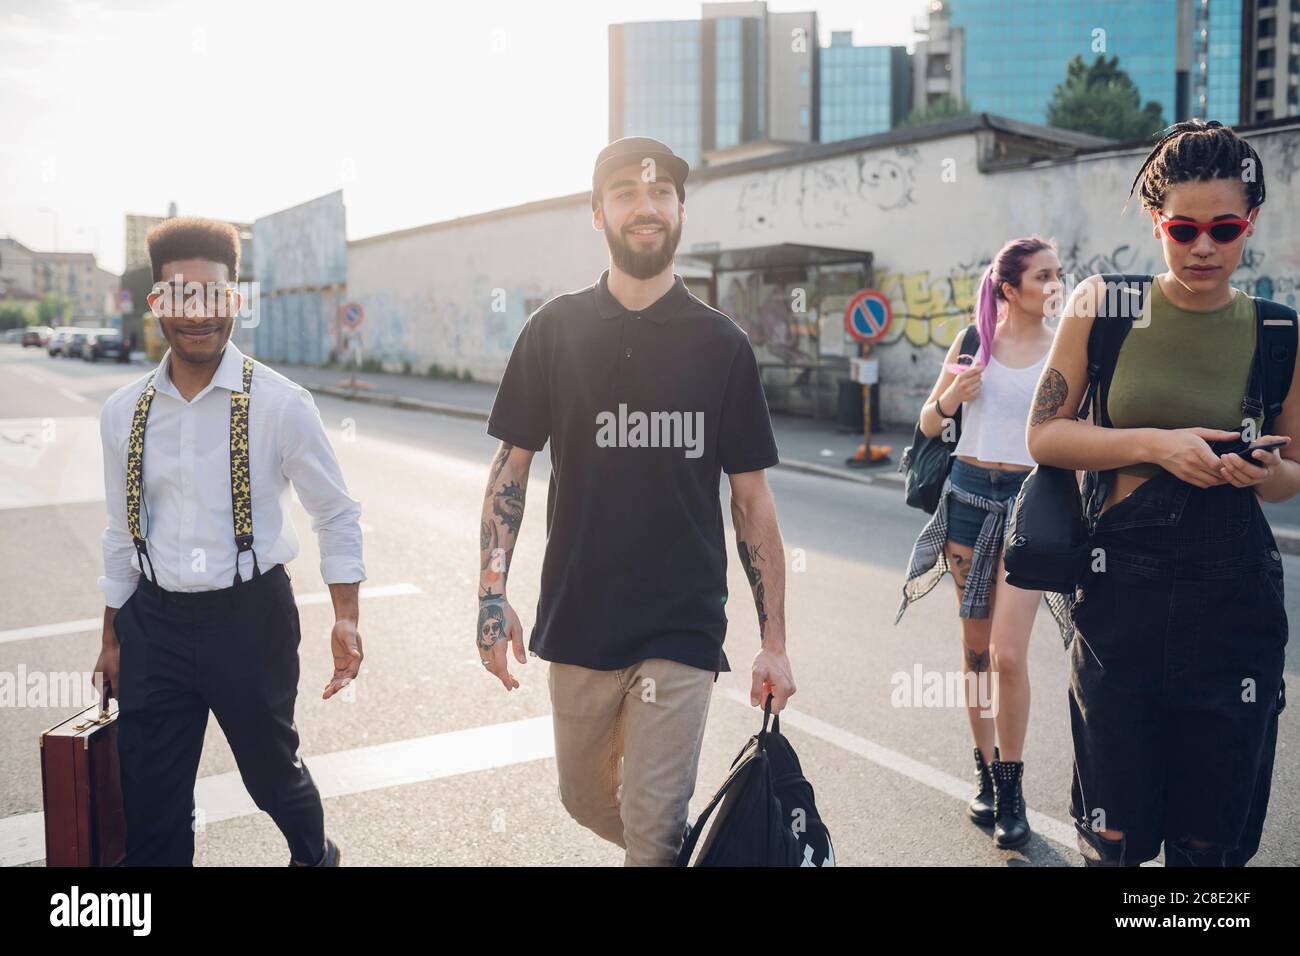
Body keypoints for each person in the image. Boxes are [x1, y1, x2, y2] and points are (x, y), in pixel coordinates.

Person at [475, 137, 797, 866]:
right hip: (579, 616)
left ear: (682, 210)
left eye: (660, 194)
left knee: (652, 831)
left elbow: (751, 502)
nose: (645, 208)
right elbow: (510, 470)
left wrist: (773, 642)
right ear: (597, 214)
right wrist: (492, 594)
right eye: (625, 193)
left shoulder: (722, 346)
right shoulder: (553, 331)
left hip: (681, 626)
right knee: (583, 799)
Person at [1028, 119, 1295, 867]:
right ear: (1157, 222)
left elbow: (1293, 477)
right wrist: (1156, 445)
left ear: (1251, 223)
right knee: (1111, 842)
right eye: (1183, 229)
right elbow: (1044, 435)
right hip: (1122, 603)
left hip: (1234, 604)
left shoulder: (1278, 331)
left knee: (1208, 846)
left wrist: (1260, 471)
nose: (1204, 246)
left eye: (1224, 227)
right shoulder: (1103, 305)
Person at [93, 217, 366, 866]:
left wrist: (347, 617)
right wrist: (111, 639)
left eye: (212, 295)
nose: (197, 313)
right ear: (156, 302)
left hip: (249, 619)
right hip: (153, 624)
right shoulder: (123, 413)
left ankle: (314, 854)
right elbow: (120, 533)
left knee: (272, 776)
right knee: (152, 807)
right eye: (178, 295)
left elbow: (335, 513)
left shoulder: (281, 404)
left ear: (235, 299)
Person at [897, 236, 1069, 850]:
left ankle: (1013, 787)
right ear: (1009, 288)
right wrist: (951, 397)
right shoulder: (975, 343)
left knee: (1009, 655)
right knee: (974, 656)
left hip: (1029, 505)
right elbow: (927, 423)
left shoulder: (1063, 348)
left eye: (1058, 273)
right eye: (1043, 275)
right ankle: (985, 775)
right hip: (967, 501)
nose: (1055, 284)